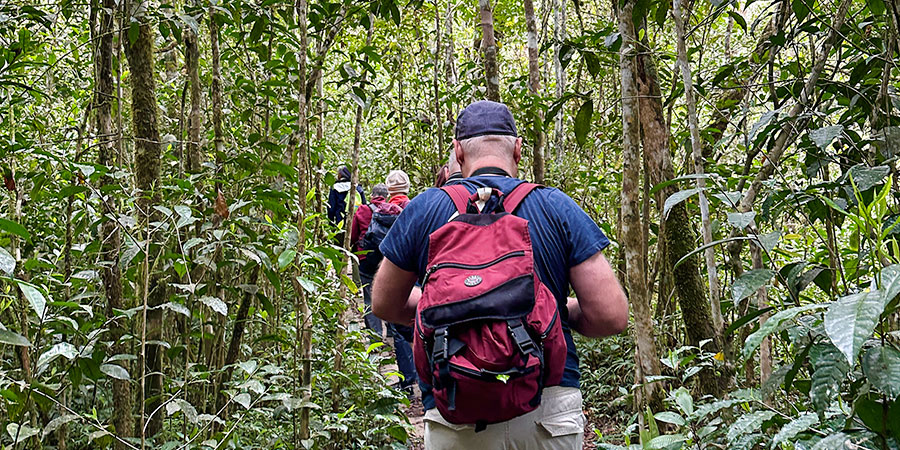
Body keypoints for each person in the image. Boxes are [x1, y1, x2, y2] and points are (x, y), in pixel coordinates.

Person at [371, 100, 628, 449]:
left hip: (456, 398)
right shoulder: (556, 207)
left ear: (458, 152)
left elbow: (385, 304)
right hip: (546, 403)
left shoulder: (426, 208)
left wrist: (449, 307)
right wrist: (551, 311)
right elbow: (610, 316)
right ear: (518, 150)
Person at [350, 183, 391, 338]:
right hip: (386, 258)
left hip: (366, 257)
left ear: (372, 195)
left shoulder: (363, 210)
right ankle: (392, 332)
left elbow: (353, 235)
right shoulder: (393, 210)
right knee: (388, 293)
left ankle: (375, 335)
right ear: (386, 196)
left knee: (369, 296)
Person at [327, 165, 366, 229]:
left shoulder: (334, 188)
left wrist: (331, 224)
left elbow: (331, 208)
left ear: (341, 174)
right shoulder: (358, 188)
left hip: (340, 223)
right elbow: (364, 207)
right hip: (356, 224)